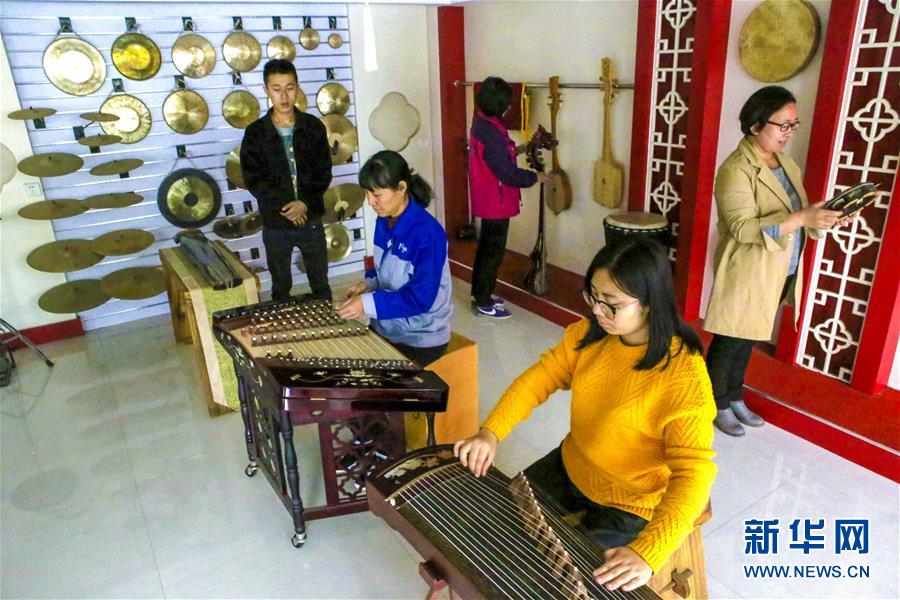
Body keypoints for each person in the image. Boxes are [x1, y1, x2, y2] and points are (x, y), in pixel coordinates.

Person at [454, 238, 716, 593]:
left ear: (650, 303)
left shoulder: (684, 377)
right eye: (593, 296)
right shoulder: (590, 335)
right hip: (572, 466)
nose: (598, 311)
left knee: (565, 584)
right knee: (498, 524)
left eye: (612, 304)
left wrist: (648, 552)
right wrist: (490, 432)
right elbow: (538, 380)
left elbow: (694, 473)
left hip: (632, 500)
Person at [705, 86, 845, 437]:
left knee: (749, 337)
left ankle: (734, 396)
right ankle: (715, 402)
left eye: (793, 125)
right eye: (782, 125)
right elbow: (742, 228)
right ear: (755, 126)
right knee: (731, 338)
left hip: (779, 267)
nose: (789, 133)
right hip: (748, 268)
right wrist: (801, 218)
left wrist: (822, 217)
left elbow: (798, 214)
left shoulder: (786, 163)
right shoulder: (735, 169)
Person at [336, 151, 453, 367]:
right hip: (387, 326)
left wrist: (366, 303)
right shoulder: (385, 220)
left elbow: (420, 299)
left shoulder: (428, 234)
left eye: (376, 194)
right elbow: (382, 268)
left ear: (401, 187)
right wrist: (368, 284)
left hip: (420, 337)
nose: (370, 202)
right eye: (367, 193)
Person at [241, 58, 333, 303]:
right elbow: (254, 179)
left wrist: (304, 203)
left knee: (320, 282)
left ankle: (326, 321)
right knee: (280, 287)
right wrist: (288, 207)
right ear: (266, 90)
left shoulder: (313, 127)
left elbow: (323, 172)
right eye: (277, 89)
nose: (284, 96)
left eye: (289, 88)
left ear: (297, 87)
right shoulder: (255, 133)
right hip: (275, 222)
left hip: (310, 218)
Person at [468, 76, 549, 319]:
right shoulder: (491, 132)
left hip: (488, 198)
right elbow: (506, 172)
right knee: (492, 253)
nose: (510, 106)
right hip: (496, 201)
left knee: (486, 249)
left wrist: (524, 147)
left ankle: (480, 294)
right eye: (507, 103)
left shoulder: (482, 122)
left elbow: (500, 157)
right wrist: (536, 177)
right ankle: (484, 302)